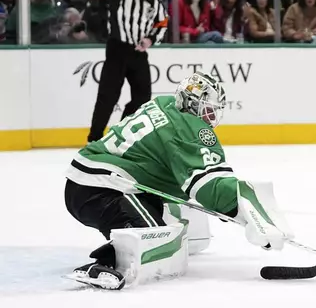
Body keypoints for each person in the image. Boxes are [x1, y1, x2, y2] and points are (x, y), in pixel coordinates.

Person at [65, 72, 292, 290]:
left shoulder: (165, 103)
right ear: (191, 103)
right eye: (207, 110)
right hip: (101, 187)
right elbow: (209, 187)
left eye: (214, 112)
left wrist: (233, 210)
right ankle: (107, 265)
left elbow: (178, 176)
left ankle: (136, 240)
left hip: (91, 180)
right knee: (154, 239)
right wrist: (244, 212)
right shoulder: (188, 128)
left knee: (170, 217)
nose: (211, 118)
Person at [87, 0, 168, 143]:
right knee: (107, 96)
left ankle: (122, 132)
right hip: (117, 50)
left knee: (143, 97)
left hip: (137, 53)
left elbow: (162, 23)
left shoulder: (155, 3)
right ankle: (94, 138)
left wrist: (150, 39)